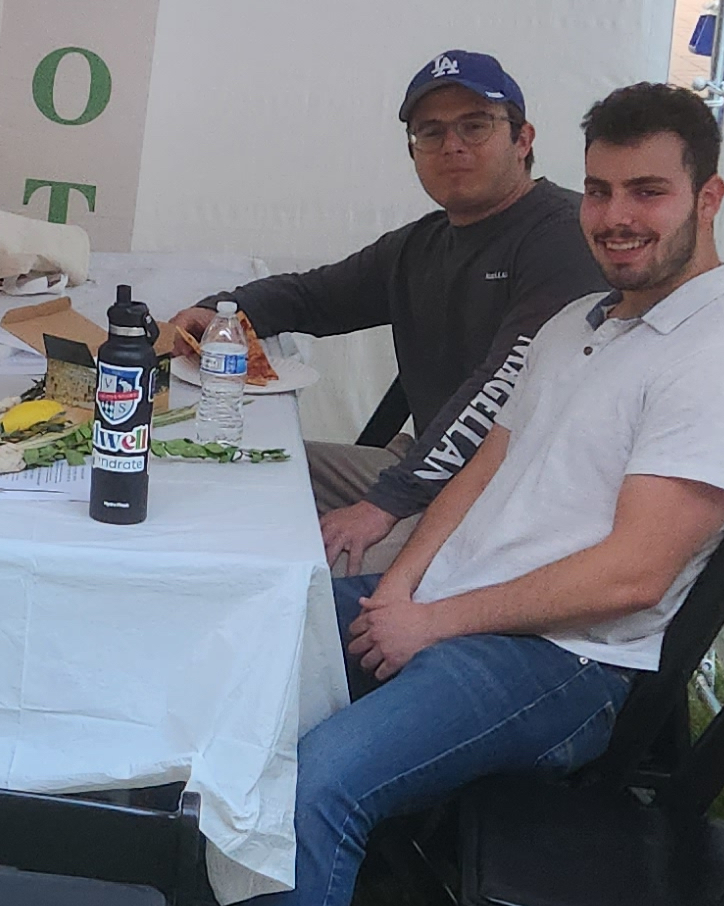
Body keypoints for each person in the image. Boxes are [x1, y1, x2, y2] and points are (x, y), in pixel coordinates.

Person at [62, 84, 724, 906]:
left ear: (709, 195)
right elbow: (490, 456)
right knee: (227, 637)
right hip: (460, 604)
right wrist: (403, 584)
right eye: (599, 191)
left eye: (647, 190)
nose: (616, 215)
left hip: (560, 662)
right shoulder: (588, 316)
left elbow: (632, 577)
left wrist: (435, 621)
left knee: (323, 782)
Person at [161, 49, 604, 577]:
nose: (452, 145)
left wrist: (382, 506)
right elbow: (314, 296)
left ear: (523, 138)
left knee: (312, 573)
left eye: (475, 125)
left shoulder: (563, 237)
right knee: (213, 471)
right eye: (431, 132)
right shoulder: (426, 243)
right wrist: (217, 314)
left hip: (507, 503)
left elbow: (503, 389)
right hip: (421, 468)